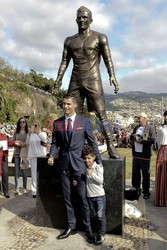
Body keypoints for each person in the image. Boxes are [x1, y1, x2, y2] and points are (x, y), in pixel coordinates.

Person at [53, 6, 119, 159]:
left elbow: (108, 59)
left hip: (93, 79)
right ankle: (69, 146)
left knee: (102, 114)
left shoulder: (100, 37)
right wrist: (58, 79)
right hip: (75, 79)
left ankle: (110, 147)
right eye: (79, 17)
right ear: (76, 19)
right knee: (70, 114)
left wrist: (112, 75)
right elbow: (64, 61)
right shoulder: (69, 40)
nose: (82, 19)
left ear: (91, 20)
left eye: (85, 17)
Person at [48, 94, 102, 243]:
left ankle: (88, 229)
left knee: (83, 199)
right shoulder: (57, 123)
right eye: (63, 104)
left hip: (79, 165)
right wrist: (52, 155)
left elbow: (92, 142)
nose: (65, 106)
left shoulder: (84, 122)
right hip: (63, 165)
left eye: (68, 104)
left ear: (75, 105)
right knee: (67, 198)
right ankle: (71, 226)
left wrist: (99, 161)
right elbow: (54, 143)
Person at [73, 145, 106, 245]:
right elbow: (82, 180)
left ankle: (102, 235)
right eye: (85, 158)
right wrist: (76, 181)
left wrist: (92, 174)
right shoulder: (84, 168)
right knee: (93, 216)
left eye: (89, 158)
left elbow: (101, 180)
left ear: (94, 157)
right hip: (90, 196)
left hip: (100, 196)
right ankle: (94, 233)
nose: (87, 161)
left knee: (101, 216)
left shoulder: (98, 167)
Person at [130, 112, 156, 199]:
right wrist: (134, 137)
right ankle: (136, 189)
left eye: (139, 118)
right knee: (135, 173)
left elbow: (153, 140)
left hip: (145, 154)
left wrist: (141, 141)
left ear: (145, 118)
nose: (138, 119)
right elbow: (131, 137)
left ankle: (146, 192)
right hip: (136, 154)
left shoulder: (150, 128)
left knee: (145, 174)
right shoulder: (136, 127)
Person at [27, 120, 47, 198]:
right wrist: (29, 134)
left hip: (41, 156)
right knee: (34, 175)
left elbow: (44, 140)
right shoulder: (31, 135)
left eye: (36, 125)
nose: (34, 127)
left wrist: (37, 132)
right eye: (33, 125)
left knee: (42, 174)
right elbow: (27, 142)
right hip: (33, 156)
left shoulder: (42, 133)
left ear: (39, 126)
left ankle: (42, 190)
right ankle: (34, 191)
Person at [0, 122, 21, 198]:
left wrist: (15, 142)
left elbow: (9, 143)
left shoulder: (4, 136)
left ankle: (6, 192)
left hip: (4, 157)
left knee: (5, 173)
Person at [13, 117, 29, 195]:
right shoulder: (16, 131)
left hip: (25, 153)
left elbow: (29, 141)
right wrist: (17, 143)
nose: (22, 123)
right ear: (18, 123)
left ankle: (24, 188)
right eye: (20, 122)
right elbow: (13, 141)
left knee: (25, 171)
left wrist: (23, 144)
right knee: (16, 171)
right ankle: (16, 188)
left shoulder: (28, 131)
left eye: (23, 122)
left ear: (26, 123)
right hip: (16, 153)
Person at [154, 111, 167, 206]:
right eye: (166, 115)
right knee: (161, 173)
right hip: (163, 151)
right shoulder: (161, 128)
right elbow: (158, 142)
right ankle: (161, 199)